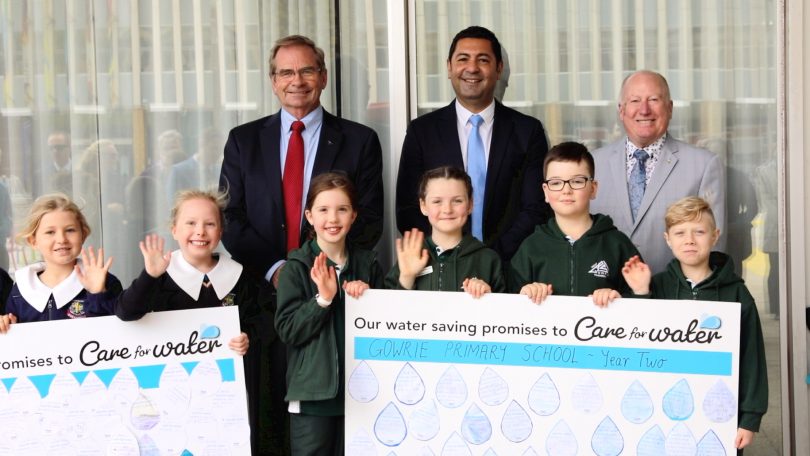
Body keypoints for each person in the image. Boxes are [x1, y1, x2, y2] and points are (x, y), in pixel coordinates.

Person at [220, 34, 384, 285]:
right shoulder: (243, 141)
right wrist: (274, 269)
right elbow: (229, 216)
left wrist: (321, 267)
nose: (297, 81)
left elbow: (369, 218)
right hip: (258, 288)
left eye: (307, 71)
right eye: (286, 73)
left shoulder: (360, 141)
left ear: (323, 77)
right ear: (274, 82)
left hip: (334, 285)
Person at [115, 189, 269, 446]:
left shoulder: (241, 277)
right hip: (171, 393)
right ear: (174, 230)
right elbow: (126, 313)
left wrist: (248, 336)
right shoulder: (160, 275)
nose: (200, 231)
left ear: (221, 232)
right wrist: (149, 276)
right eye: (191, 223)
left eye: (210, 224)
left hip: (225, 396)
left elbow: (263, 319)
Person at [622, 196, 767, 452]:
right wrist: (641, 293)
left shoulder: (737, 294)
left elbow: (752, 359)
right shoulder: (658, 286)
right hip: (661, 415)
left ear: (715, 235)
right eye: (680, 233)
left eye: (699, 232)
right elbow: (637, 347)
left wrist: (749, 419)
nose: (689, 240)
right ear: (668, 239)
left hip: (719, 417)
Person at [396, 25, 549, 262]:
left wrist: (490, 259)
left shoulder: (527, 131)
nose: (472, 68)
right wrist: (449, 256)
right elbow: (408, 210)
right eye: (463, 59)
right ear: (449, 67)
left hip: (510, 268)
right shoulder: (422, 132)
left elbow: (535, 209)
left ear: (498, 69)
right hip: (439, 268)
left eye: (483, 60)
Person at [275, 172, 383, 455]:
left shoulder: (367, 263)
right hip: (313, 396)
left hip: (362, 392)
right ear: (309, 216)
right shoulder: (297, 266)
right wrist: (323, 299)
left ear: (354, 215)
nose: (332, 219)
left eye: (342, 209)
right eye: (323, 210)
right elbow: (288, 330)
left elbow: (386, 328)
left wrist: (368, 299)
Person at [590, 70, 726, 274]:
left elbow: (714, 245)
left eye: (654, 99)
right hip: (606, 296)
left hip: (674, 297)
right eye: (635, 100)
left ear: (670, 108)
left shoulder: (704, 165)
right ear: (621, 110)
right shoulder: (592, 164)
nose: (644, 110)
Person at [509, 142, 639, 306]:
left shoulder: (617, 245)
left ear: (593, 189)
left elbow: (643, 303)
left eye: (577, 181)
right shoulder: (531, 248)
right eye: (556, 183)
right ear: (545, 192)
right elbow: (509, 309)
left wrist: (618, 299)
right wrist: (525, 294)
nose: (566, 190)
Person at [0, 193, 121, 331]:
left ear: (83, 234)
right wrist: (7, 325)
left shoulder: (106, 282)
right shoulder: (20, 290)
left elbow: (115, 334)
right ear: (33, 241)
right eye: (50, 232)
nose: (61, 239)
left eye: (70, 230)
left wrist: (99, 295)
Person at [386, 166, 504, 296]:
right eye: (437, 201)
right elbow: (384, 312)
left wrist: (489, 297)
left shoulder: (488, 260)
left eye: (457, 201)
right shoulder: (410, 255)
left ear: (470, 205)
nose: (447, 210)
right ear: (423, 206)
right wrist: (406, 278)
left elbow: (506, 312)